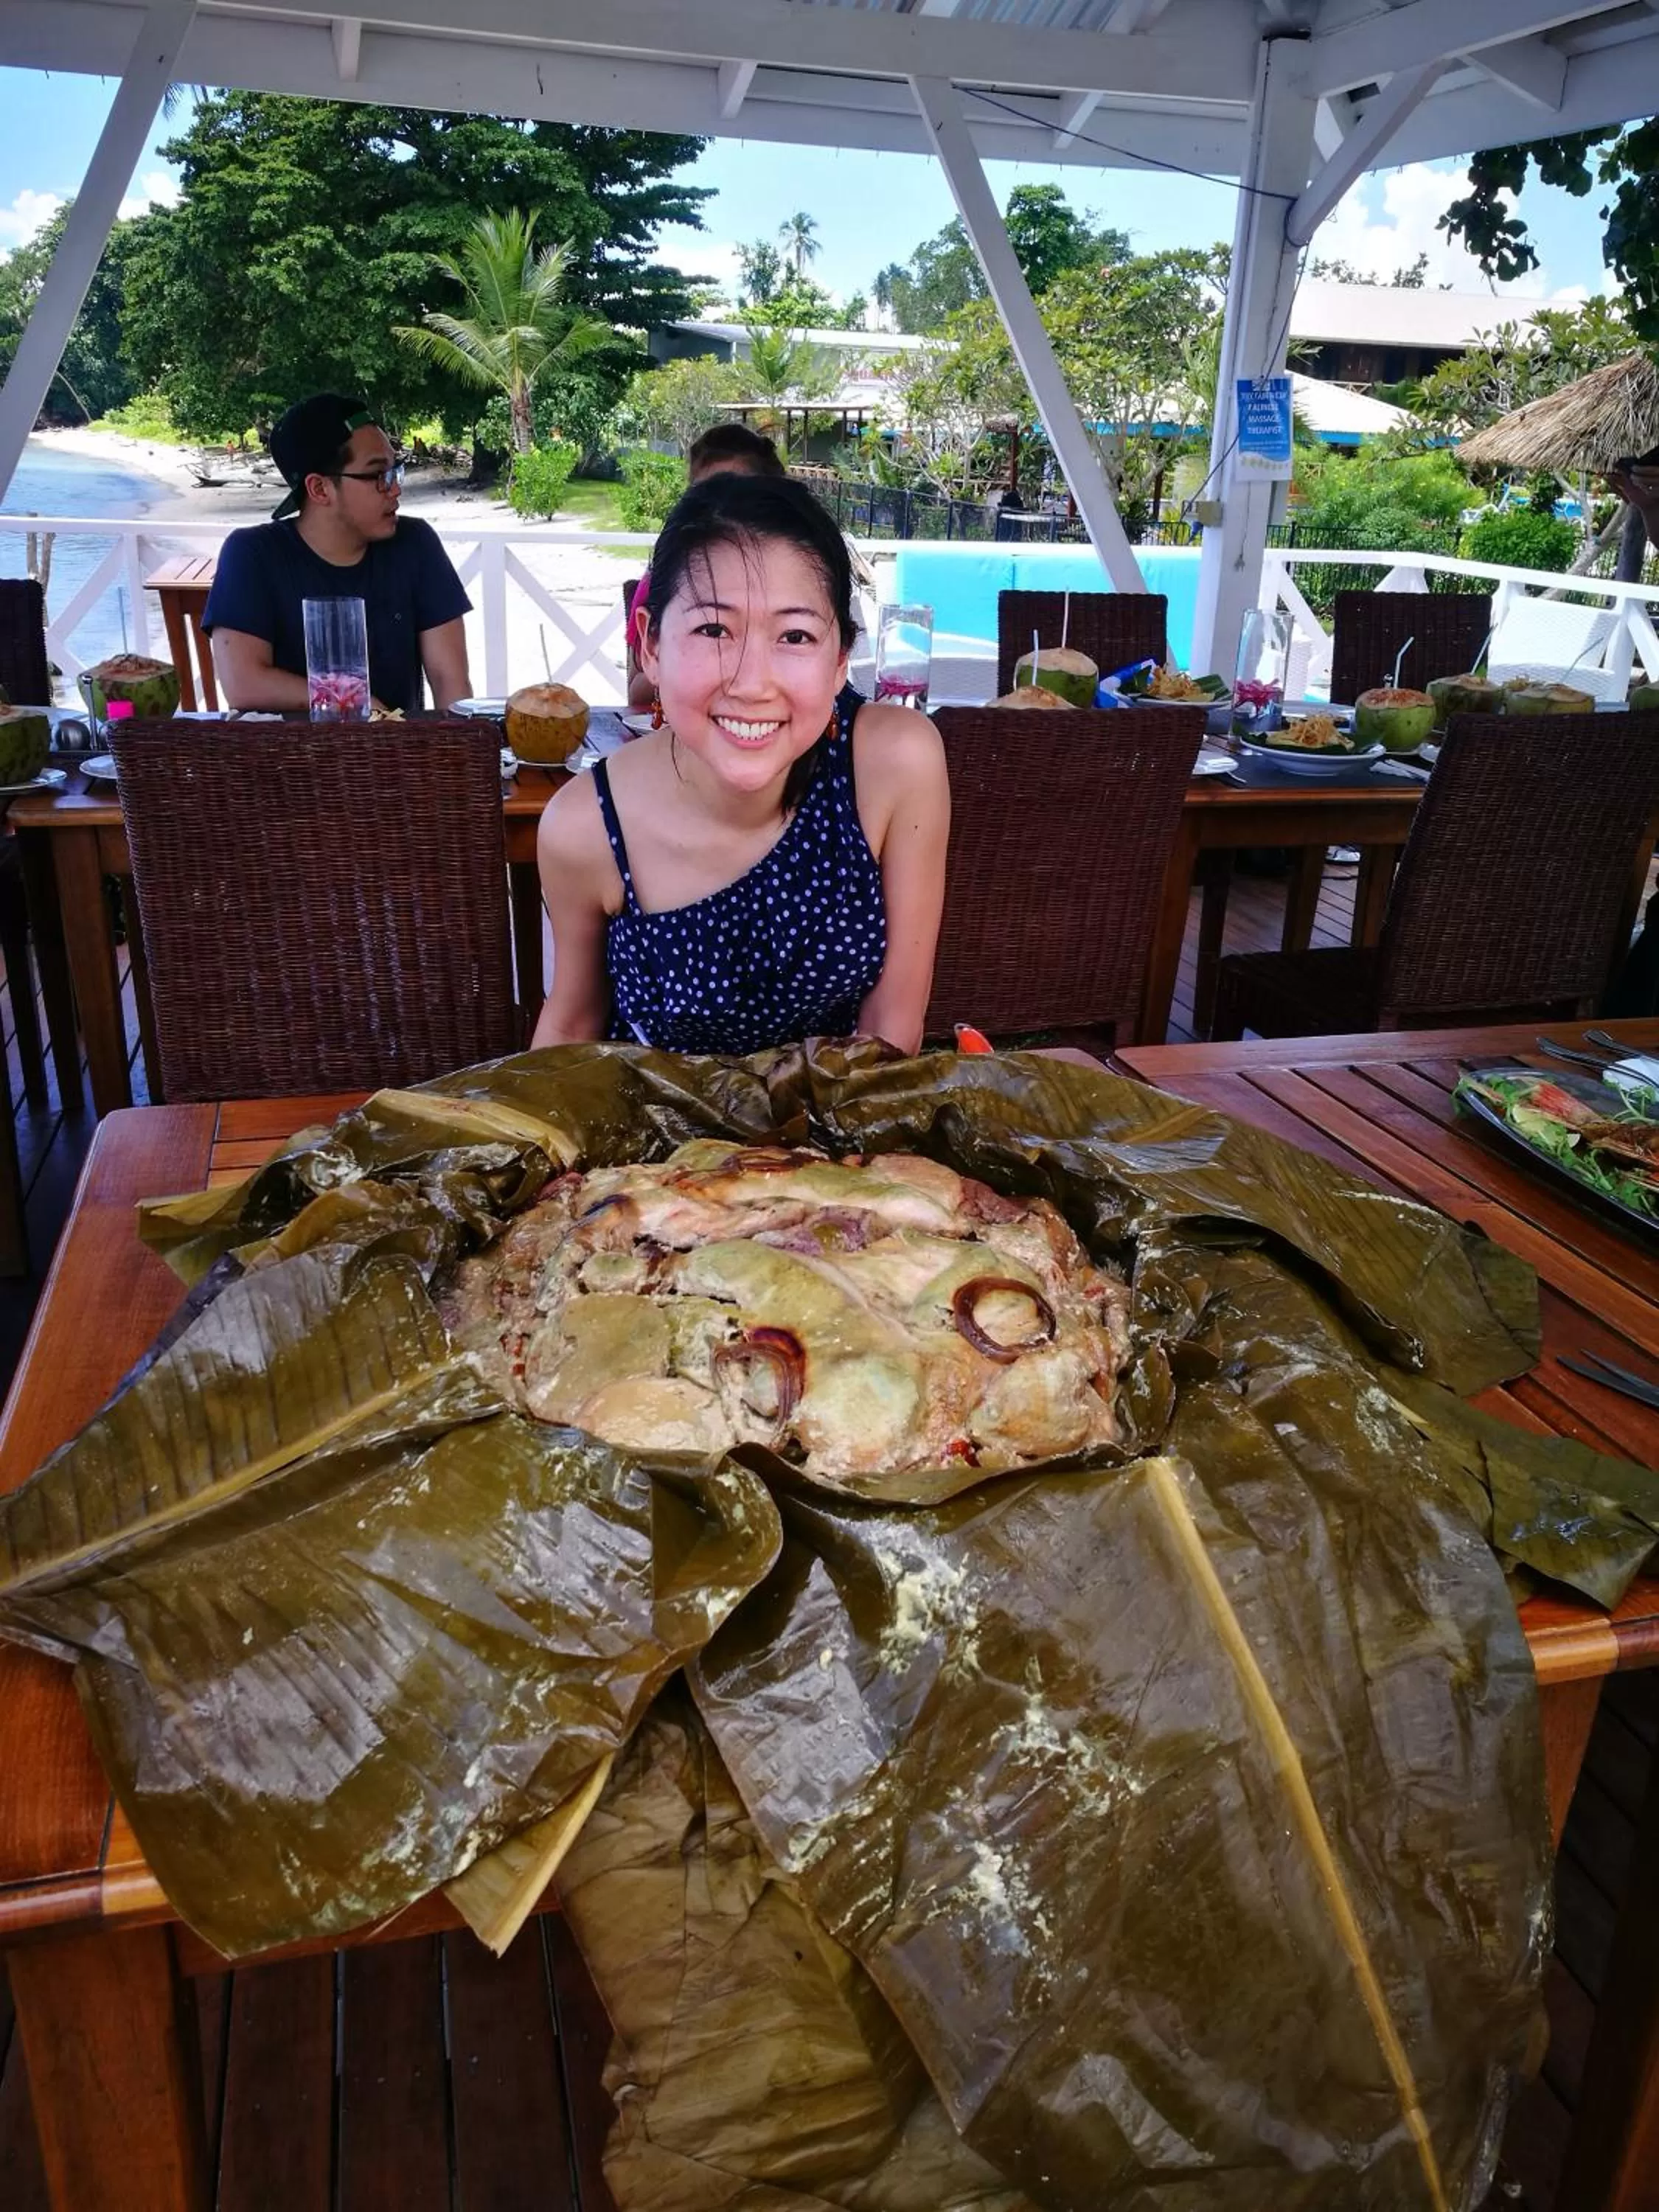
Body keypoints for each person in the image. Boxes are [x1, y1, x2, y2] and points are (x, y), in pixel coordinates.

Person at [533, 473, 950, 1057]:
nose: (752, 684)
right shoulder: (584, 827)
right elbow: (571, 1029)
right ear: (650, 645)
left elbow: (890, 1026)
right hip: (653, 1140)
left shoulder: (896, 766)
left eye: (796, 636)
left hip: (839, 1133)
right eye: (713, 629)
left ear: (840, 661)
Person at [203, 393, 473, 714]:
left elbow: (451, 685)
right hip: (287, 760)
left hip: (399, 756)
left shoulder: (415, 544)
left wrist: (459, 753)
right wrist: (349, 699)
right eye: (377, 476)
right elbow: (243, 684)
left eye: (394, 471)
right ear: (319, 489)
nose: (396, 488)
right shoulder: (253, 555)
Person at [625, 422, 786, 708]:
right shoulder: (661, 584)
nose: (720, 509)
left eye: (740, 496)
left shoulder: (797, 586)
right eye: (703, 498)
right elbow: (637, 692)